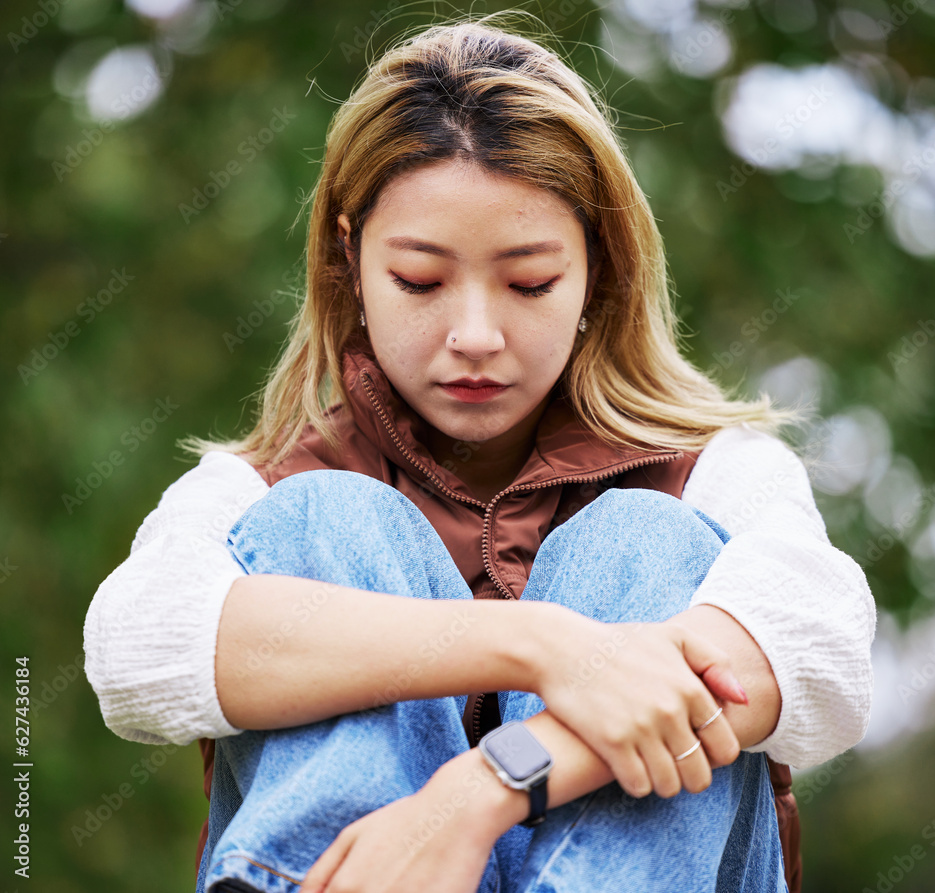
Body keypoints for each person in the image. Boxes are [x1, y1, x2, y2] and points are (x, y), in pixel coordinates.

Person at [83, 17, 875, 893]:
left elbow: (816, 653)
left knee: (648, 540)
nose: (474, 335)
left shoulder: (721, 475)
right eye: (420, 280)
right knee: (326, 521)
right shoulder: (263, 488)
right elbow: (138, 651)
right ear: (349, 260)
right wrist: (539, 645)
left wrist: (480, 791)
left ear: (596, 271)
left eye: (530, 282)